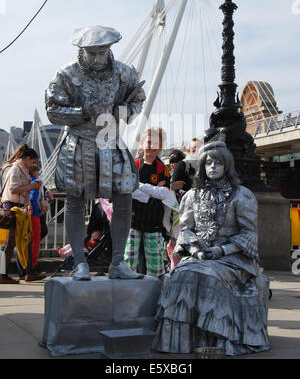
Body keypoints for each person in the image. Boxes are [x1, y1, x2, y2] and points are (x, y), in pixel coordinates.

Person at [45, 25, 146, 281]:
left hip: (112, 141)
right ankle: (79, 262)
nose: (98, 59)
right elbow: (53, 111)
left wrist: (122, 111)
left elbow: (137, 101)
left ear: (110, 49)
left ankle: (117, 263)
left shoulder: (124, 73)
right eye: (92, 53)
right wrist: (81, 113)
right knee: (75, 200)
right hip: (79, 144)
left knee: (124, 198)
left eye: (102, 52)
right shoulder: (66, 74)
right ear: (82, 51)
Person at [153, 139, 270, 356]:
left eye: (218, 163)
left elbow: (249, 234)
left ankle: (217, 340)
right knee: (180, 275)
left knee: (209, 276)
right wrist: (196, 250)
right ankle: (180, 342)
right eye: (208, 163)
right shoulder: (192, 195)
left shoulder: (242, 195)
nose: (213, 167)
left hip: (232, 259)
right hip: (199, 255)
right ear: (202, 167)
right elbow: (185, 229)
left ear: (227, 166)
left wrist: (221, 251)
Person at [124, 127, 171, 278]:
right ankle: (127, 287)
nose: (151, 146)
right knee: (129, 257)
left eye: (155, 143)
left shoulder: (162, 168)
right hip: (133, 218)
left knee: (155, 259)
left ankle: (155, 287)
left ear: (160, 147)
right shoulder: (134, 165)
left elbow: (164, 193)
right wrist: (151, 193)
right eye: (149, 142)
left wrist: (140, 187)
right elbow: (128, 188)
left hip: (154, 220)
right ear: (142, 143)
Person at [0, 144, 41, 284]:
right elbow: (13, 189)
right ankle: (6, 274)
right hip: (12, 209)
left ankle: (27, 272)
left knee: (24, 240)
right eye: (33, 162)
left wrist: (27, 203)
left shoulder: (20, 169)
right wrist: (31, 186)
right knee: (14, 242)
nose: (33, 165)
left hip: (17, 209)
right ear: (27, 158)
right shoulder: (16, 170)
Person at [23, 165, 47, 281]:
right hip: (34, 214)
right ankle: (32, 268)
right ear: (35, 172)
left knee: (30, 240)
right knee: (35, 240)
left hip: (29, 214)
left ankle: (28, 269)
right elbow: (32, 197)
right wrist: (31, 207)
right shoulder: (35, 183)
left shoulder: (29, 181)